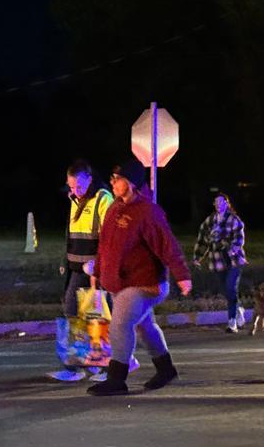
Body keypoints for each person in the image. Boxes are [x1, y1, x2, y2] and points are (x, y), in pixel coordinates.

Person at [85, 158, 192, 396]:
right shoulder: (114, 207)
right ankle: (166, 369)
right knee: (145, 327)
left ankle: (116, 379)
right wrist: (98, 271)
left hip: (144, 284)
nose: (113, 182)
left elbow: (168, 245)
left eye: (118, 179)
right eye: (112, 178)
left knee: (120, 325)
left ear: (131, 183)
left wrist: (182, 275)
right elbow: (105, 245)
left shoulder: (148, 212)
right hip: (121, 282)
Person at [49, 160, 115, 382]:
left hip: (95, 272)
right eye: (70, 186)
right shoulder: (74, 200)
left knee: (95, 317)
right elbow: (72, 236)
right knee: (72, 313)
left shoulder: (103, 199)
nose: (74, 190)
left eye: (78, 186)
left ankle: (101, 367)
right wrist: (64, 261)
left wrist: (98, 264)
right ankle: (77, 365)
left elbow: (110, 237)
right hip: (76, 269)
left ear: (89, 179)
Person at [193, 192, 247, 333]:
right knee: (227, 291)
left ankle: (232, 322)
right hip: (217, 261)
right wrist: (197, 257)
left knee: (231, 288)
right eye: (216, 202)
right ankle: (238, 309)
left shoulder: (234, 220)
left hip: (234, 261)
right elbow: (202, 240)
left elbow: (239, 238)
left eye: (221, 202)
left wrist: (231, 247)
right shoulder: (210, 221)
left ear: (227, 204)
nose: (219, 205)